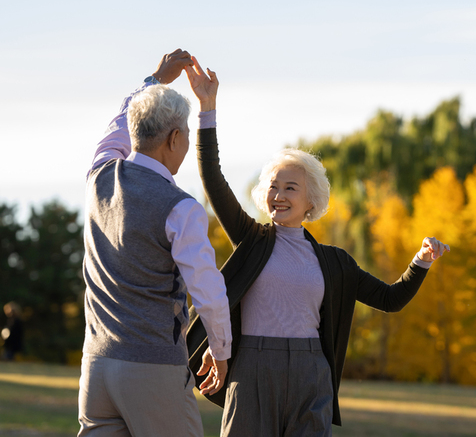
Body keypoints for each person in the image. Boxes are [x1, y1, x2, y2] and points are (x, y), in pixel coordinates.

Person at [184, 57, 451, 436]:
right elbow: (212, 177)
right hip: (253, 368)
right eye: (273, 187)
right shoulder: (252, 239)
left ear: (311, 201)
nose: (278, 195)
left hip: (312, 372)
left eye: (290, 187)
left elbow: (390, 299)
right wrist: (206, 111)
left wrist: (421, 261)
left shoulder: (334, 262)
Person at [79, 49, 232, 437]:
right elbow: (208, 291)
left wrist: (153, 80)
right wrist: (221, 349)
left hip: (96, 366)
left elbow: (116, 127)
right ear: (176, 137)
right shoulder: (180, 208)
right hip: (153, 368)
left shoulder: (98, 176)